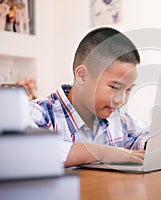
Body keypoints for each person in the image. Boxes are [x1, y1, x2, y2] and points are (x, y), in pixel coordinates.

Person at [29, 27, 149, 168]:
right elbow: (30, 152)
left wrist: (156, 143)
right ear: (82, 76)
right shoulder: (38, 113)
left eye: (128, 89)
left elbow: (143, 137)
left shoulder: (118, 120)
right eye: (114, 87)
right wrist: (101, 152)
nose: (121, 100)